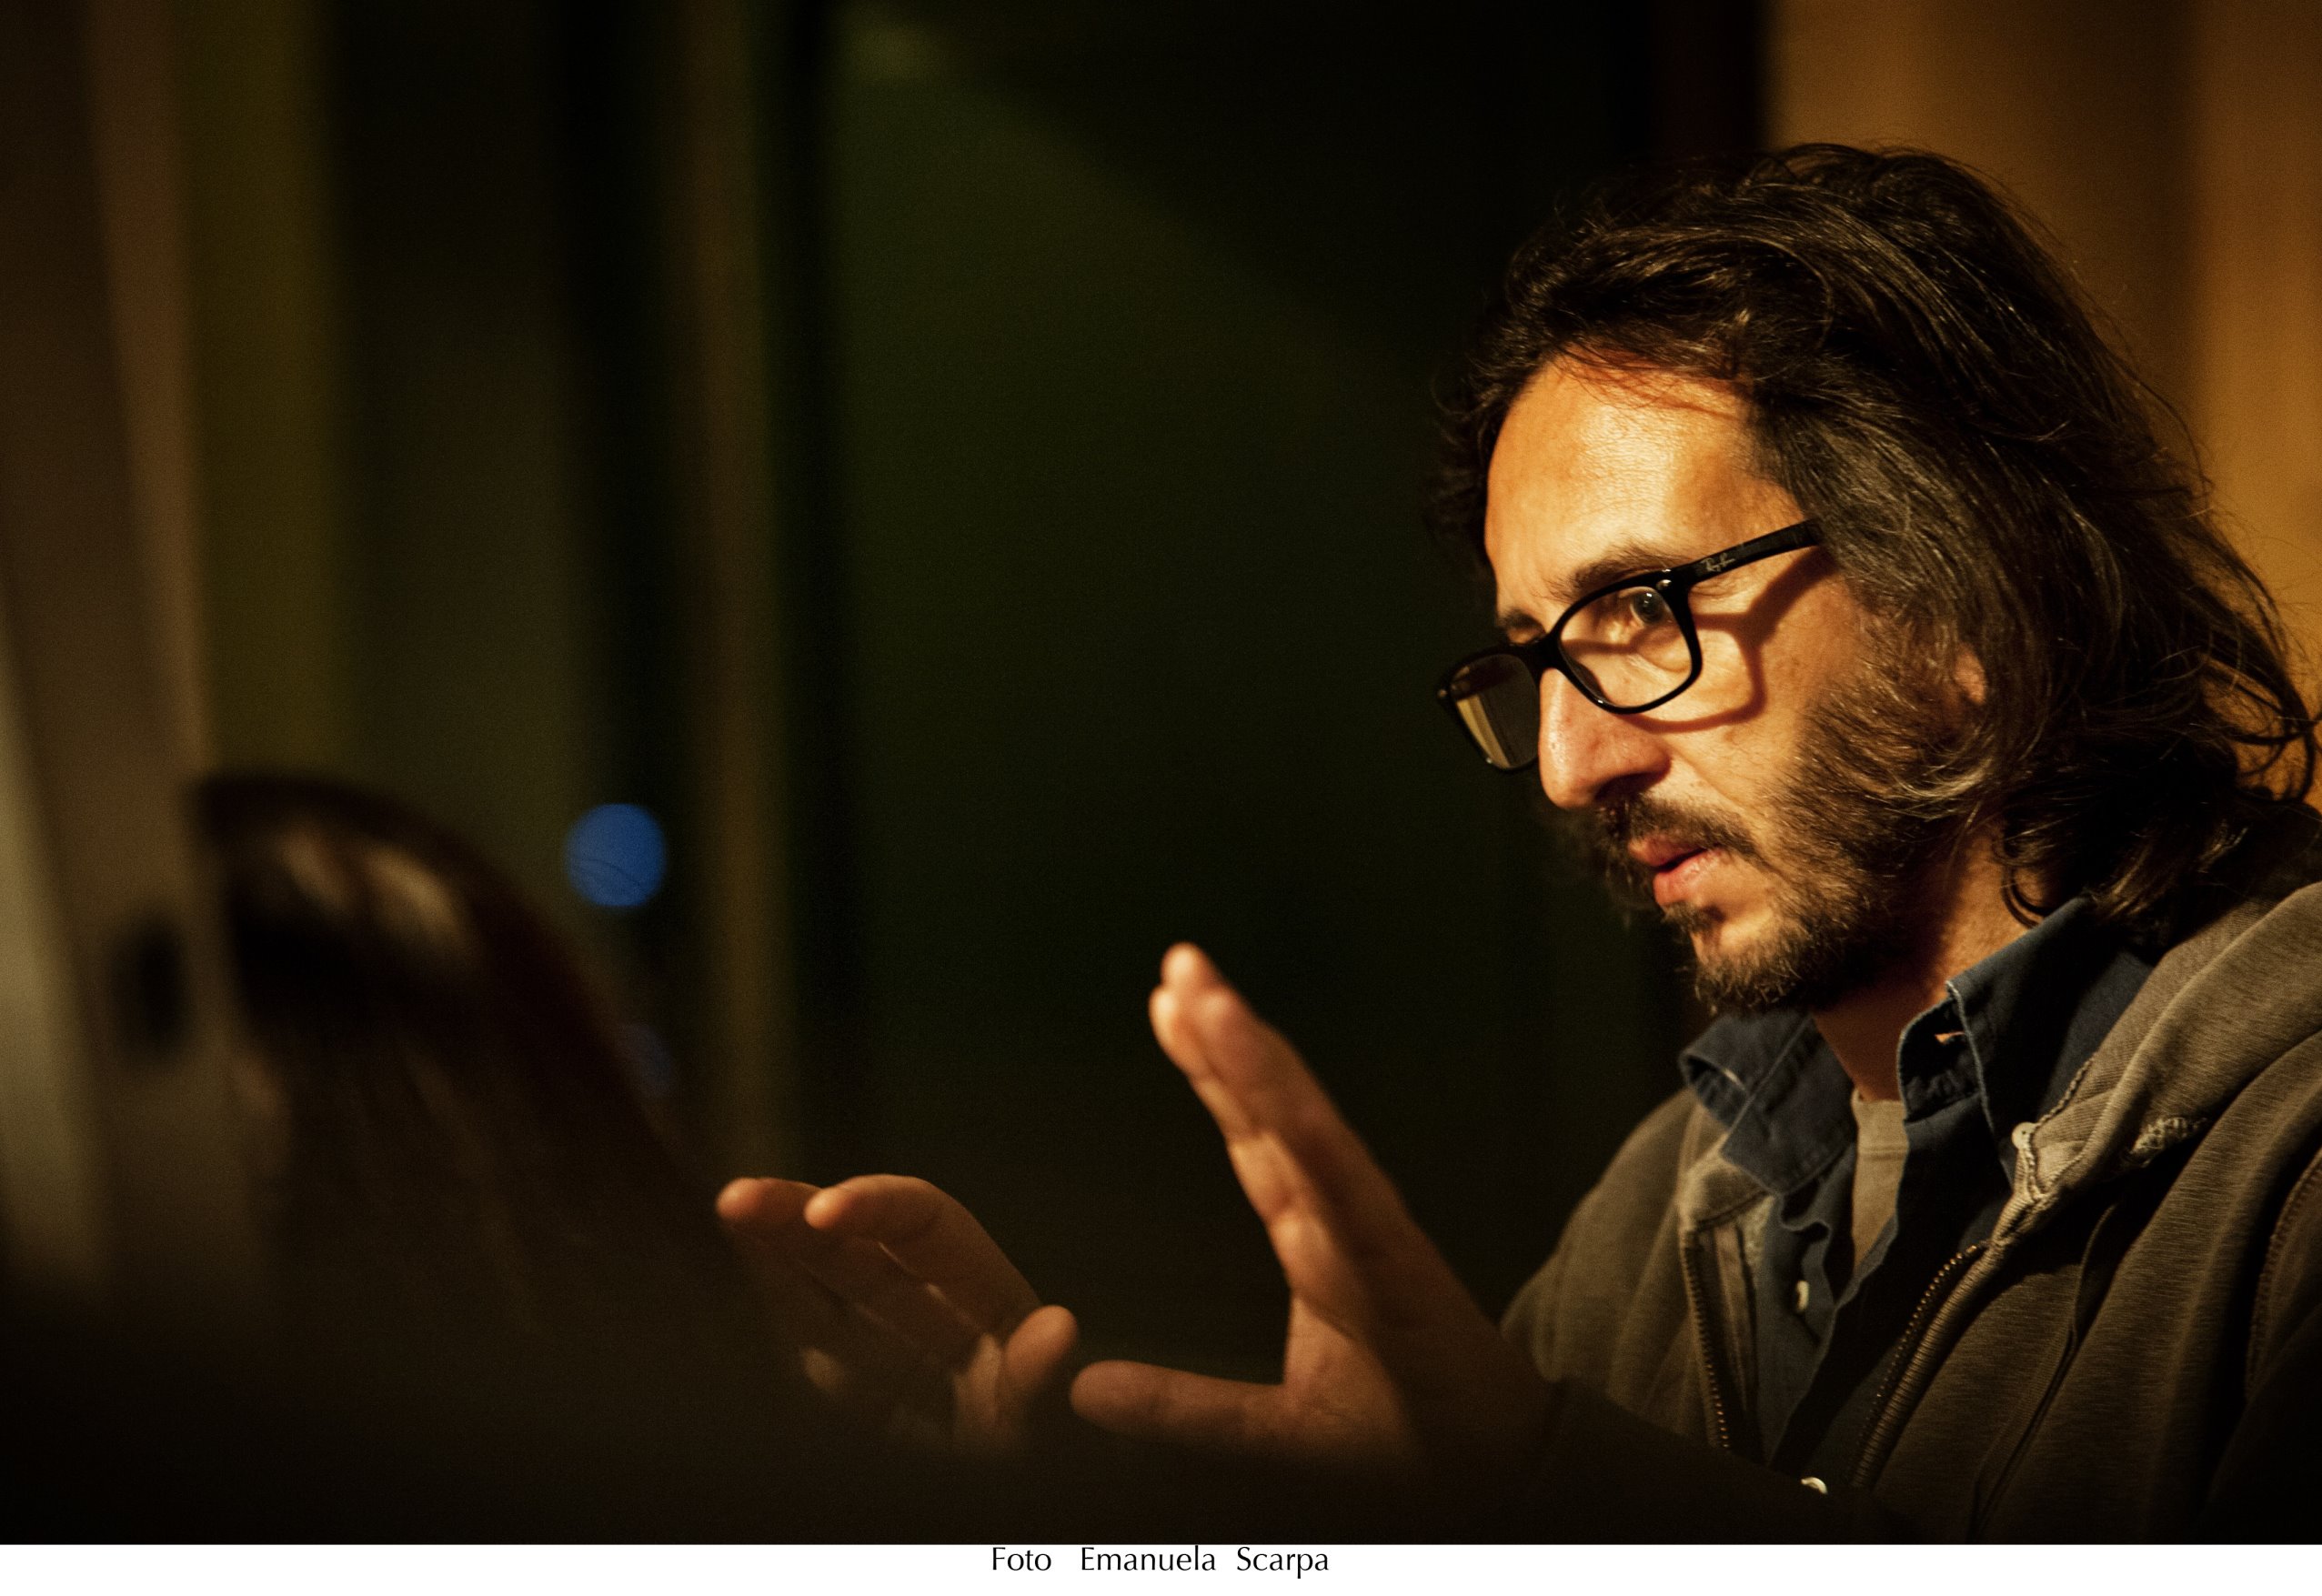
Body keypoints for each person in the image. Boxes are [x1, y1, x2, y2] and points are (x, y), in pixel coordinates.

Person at [719, 145, 2322, 1540]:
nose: (1567, 765)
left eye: (1639, 610)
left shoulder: (2287, 1157)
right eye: (1534, 661)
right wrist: (1088, 1522)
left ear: (1966, 594)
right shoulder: (1678, 1193)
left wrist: (1542, 1492)